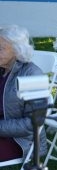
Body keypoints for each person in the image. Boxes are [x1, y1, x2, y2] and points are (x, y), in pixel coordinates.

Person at [0, 25, 47, 162]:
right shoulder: (2, 68)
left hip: (21, 141)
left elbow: (33, 123)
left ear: (17, 50)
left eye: (1, 49)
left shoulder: (33, 75)